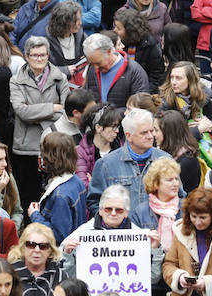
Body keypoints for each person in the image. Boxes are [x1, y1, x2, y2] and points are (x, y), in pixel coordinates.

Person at [10, 36, 70, 206]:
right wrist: (52, 108)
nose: (39, 59)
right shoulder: (16, 81)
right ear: (27, 56)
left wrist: (35, 112)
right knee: (29, 196)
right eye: (35, 55)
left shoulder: (60, 78)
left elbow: (65, 110)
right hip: (26, 147)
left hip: (54, 144)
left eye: (43, 55)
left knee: (53, 195)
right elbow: (22, 111)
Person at [87, 108, 172, 215]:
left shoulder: (166, 161)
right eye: (144, 133)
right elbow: (94, 202)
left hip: (158, 229)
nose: (150, 136)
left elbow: (179, 197)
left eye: (152, 130)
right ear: (128, 136)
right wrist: (111, 221)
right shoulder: (105, 165)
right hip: (121, 230)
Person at [161, 187, 212, 294]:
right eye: (193, 216)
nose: (198, 222)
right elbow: (168, 264)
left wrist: (207, 283)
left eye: (203, 217)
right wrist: (179, 277)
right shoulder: (180, 232)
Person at [27, 132, 87, 244]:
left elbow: (59, 236)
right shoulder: (76, 181)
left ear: (50, 158)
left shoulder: (60, 195)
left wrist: (35, 215)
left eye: (43, 152)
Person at [83, 33, 149, 109]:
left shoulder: (134, 71)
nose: (95, 68)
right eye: (92, 63)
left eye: (98, 63)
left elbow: (140, 107)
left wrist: (112, 116)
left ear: (109, 52)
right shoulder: (92, 69)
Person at [6, 222, 66, 296]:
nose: (37, 250)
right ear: (22, 248)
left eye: (43, 246)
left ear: (50, 251)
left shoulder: (60, 276)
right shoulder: (8, 274)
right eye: (31, 245)